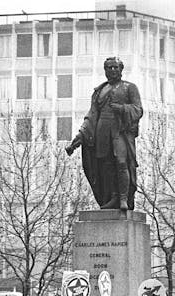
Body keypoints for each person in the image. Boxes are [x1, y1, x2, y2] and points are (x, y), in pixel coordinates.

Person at [65, 56, 143, 211]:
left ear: (121, 69)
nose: (112, 70)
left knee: (121, 162)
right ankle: (113, 197)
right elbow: (92, 116)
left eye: (115, 67)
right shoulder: (99, 91)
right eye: (109, 68)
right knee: (106, 166)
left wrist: (121, 109)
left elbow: (138, 110)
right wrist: (79, 138)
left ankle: (123, 198)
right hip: (102, 131)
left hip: (119, 131)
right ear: (105, 70)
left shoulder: (129, 87)